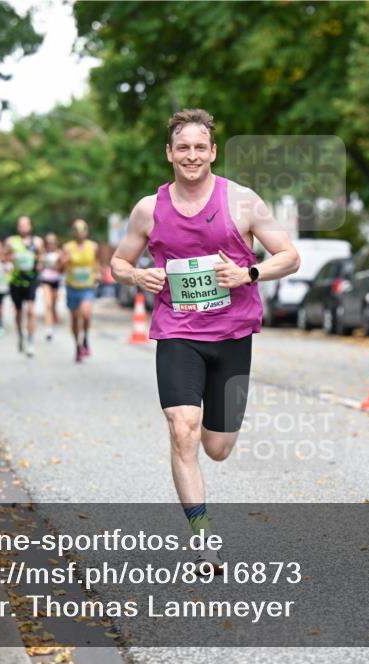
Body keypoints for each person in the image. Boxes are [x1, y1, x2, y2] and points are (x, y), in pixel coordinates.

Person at [111, 109, 300, 572]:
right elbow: (118, 262)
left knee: (217, 447)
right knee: (183, 430)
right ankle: (202, 539)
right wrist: (137, 275)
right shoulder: (148, 209)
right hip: (178, 332)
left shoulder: (242, 201)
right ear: (169, 153)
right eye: (183, 148)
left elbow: (289, 256)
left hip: (232, 335)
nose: (191, 155)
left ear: (213, 152)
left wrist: (249, 272)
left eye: (200, 147)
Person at [61, 219, 101, 362]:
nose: (80, 233)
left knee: (85, 314)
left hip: (87, 287)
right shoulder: (67, 247)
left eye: (83, 229)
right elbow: (60, 268)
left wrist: (98, 273)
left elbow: (97, 263)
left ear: (86, 231)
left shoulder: (93, 246)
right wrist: (63, 262)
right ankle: (77, 346)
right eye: (77, 230)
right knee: (74, 319)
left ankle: (85, 338)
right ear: (73, 232)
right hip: (72, 287)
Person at [5, 216, 44, 357]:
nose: (23, 228)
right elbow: (4, 257)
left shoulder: (37, 242)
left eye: (26, 225)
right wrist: (10, 260)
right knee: (18, 312)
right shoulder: (11, 241)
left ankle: (31, 341)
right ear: (17, 227)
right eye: (21, 225)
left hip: (31, 279)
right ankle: (20, 333)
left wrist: (39, 264)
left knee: (31, 311)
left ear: (30, 226)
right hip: (16, 281)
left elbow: (41, 257)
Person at [39, 232, 63, 341]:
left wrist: (59, 264)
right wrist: (40, 263)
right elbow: (39, 266)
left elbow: (63, 269)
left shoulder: (59, 253)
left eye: (53, 242)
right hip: (46, 281)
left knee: (53, 305)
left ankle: (53, 321)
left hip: (56, 281)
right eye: (49, 242)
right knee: (48, 304)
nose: (51, 244)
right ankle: (48, 329)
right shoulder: (43, 253)